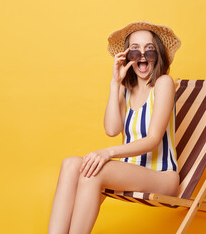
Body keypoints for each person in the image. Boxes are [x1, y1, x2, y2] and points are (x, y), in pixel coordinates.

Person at [48, 21, 181, 234]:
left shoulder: (163, 83)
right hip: (131, 171)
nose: (143, 56)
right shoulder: (127, 89)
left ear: (158, 55)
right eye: (135, 50)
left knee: (94, 170)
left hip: (161, 176)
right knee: (70, 164)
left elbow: (153, 139)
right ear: (128, 57)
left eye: (150, 50)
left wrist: (108, 153)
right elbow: (111, 129)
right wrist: (115, 83)